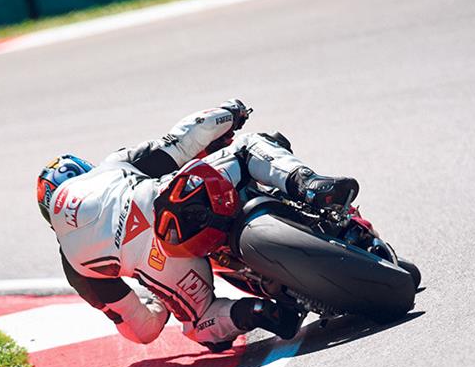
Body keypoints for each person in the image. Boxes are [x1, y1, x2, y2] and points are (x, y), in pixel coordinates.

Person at [36, 100, 358, 351]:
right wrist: (231, 112)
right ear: (84, 172)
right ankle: (310, 186)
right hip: (177, 198)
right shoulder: (110, 166)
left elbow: (142, 329)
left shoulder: (73, 264)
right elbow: (182, 141)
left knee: (199, 322)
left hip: (163, 264)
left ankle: (252, 312)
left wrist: (160, 298)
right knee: (248, 148)